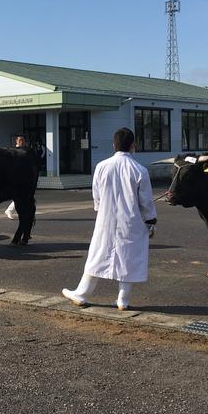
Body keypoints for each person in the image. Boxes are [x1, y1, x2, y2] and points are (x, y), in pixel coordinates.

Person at [62, 128, 157, 311]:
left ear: (114, 145)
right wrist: (150, 220)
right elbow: (146, 202)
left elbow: (96, 196)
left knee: (97, 255)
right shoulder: (140, 170)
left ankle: (82, 294)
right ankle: (123, 300)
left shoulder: (102, 166)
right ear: (133, 145)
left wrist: (101, 209)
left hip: (106, 219)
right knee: (130, 257)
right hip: (132, 221)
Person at [5, 135, 26, 220]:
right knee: (19, 195)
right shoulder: (14, 151)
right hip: (16, 176)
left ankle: (12, 210)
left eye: (23, 140)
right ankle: (10, 210)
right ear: (16, 142)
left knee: (23, 195)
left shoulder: (23, 150)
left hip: (22, 175)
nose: (22, 142)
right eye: (20, 140)